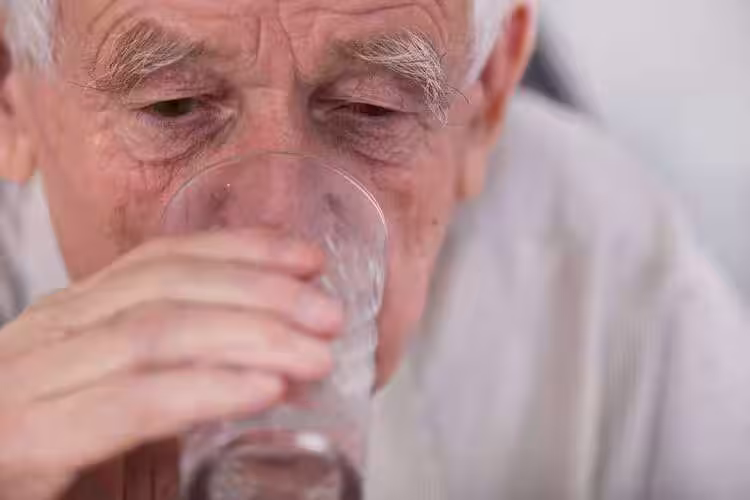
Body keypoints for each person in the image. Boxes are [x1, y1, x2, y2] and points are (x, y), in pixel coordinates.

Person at [0, 0, 748, 499]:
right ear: (10, 85)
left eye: (371, 108)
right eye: (173, 107)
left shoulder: (610, 277)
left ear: (485, 95)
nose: (279, 231)